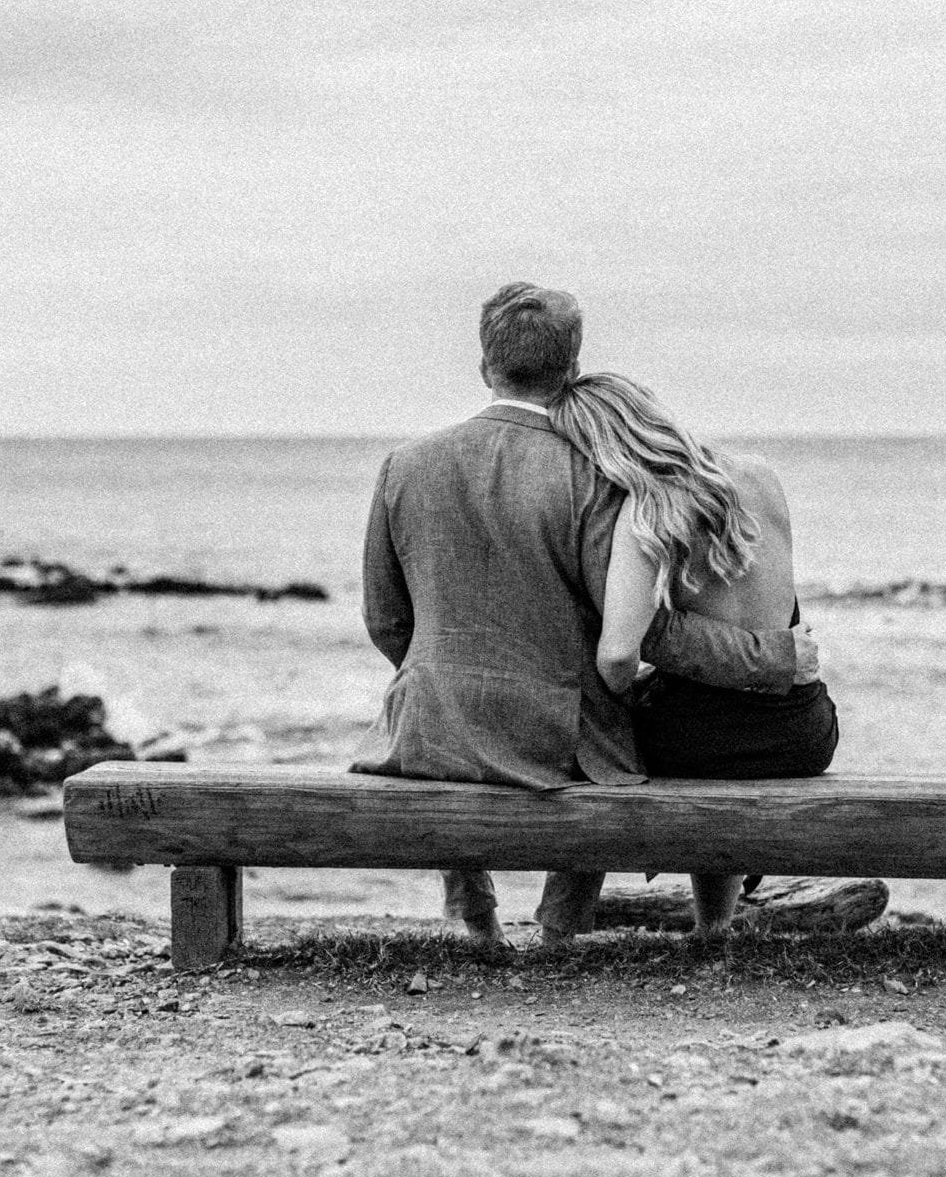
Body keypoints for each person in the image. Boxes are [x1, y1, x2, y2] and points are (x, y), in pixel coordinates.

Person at [357, 282, 819, 945]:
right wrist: (773, 658)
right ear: (571, 368)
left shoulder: (404, 464)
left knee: (448, 700)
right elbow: (639, 630)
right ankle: (559, 929)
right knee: (606, 721)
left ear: (485, 366)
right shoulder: (598, 473)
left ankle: (474, 909)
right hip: (555, 732)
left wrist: (445, 673)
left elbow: (385, 618)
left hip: (433, 721)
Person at [548, 370, 839, 935]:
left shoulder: (646, 511)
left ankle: (561, 928)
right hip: (803, 734)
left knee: (605, 735)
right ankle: (714, 927)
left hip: (699, 743)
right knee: (712, 714)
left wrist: (624, 694)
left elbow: (615, 654)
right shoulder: (759, 475)